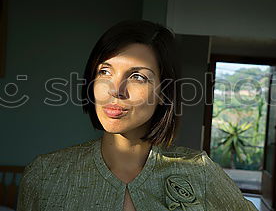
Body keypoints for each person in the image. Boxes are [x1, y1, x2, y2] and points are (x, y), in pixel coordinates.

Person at [16, 20, 258, 211]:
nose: (116, 90)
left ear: (163, 91)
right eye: (105, 72)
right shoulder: (46, 174)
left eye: (137, 77)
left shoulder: (200, 172)